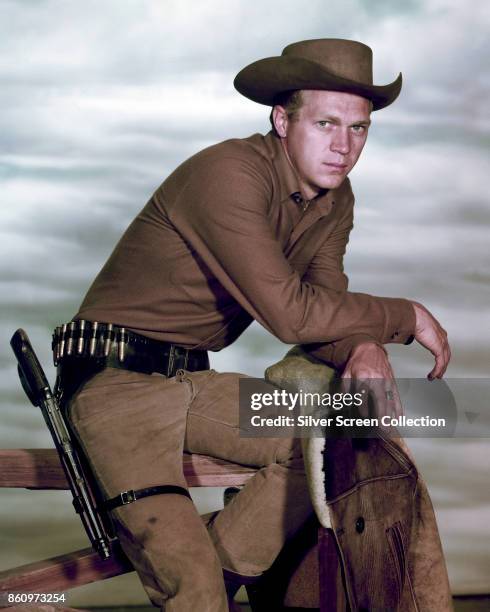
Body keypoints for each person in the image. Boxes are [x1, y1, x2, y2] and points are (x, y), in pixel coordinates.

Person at [58, 39, 451, 611]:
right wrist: (404, 317)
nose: (344, 146)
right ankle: (198, 587)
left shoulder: (334, 200)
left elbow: (323, 303)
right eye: (325, 123)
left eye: (359, 128)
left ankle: (212, 578)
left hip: (191, 383)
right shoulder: (228, 173)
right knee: (191, 585)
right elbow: (290, 311)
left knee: (333, 436)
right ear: (281, 120)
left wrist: (361, 346)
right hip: (116, 386)